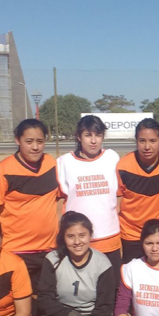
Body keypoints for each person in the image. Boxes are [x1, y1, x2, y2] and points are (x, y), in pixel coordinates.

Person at [0, 119, 60, 316]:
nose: (35, 147)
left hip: (49, 250)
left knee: (46, 302)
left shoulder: (51, 164)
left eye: (40, 141)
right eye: (29, 141)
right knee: (17, 306)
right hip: (16, 251)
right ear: (17, 140)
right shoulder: (3, 170)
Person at [37, 212, 116, 316]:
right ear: (63, 238)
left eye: (82, 235)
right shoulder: (53, 259)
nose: (77, 241)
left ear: (90, 235)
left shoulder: (102, 263)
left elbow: (105, 307)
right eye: (71, 236)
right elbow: (45, 298)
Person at [56, 115, 121, 285]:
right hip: (78, 240)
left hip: (109, 237)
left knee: (111, 287)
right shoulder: (64, 162)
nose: (93, 141)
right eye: (88, 135)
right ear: (78, 136)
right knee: (82, 288)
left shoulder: (112, 158)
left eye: (98, 135)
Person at [116, 118, 159, 263]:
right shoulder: (123, 166)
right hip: (132, 234)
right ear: (136, 141)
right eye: (142, 141)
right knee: (133, 279)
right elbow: (118, 194)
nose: (147, 146)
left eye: (153, 141)